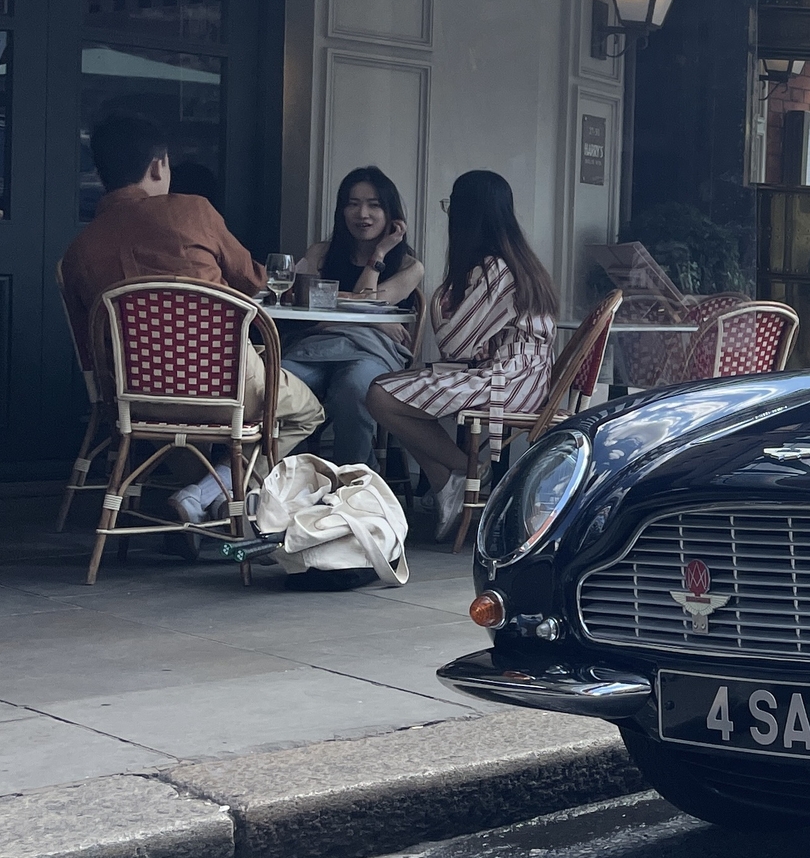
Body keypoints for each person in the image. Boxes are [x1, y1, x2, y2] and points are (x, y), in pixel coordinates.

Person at [61, 115, 325, 522]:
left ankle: (200, 501)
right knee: (306, 410)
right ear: (158, 166)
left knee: (176, 431)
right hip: (224, 382)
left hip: (137, 394)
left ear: (100, 173)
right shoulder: (193, 211)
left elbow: (90, 345)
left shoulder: (80, 250)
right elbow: (254, 280)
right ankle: (210, 495)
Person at [366, 170, 558, 542]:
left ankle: (468, 470)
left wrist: (439, 296)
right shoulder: (514, 263)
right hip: (522, 378)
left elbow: (454, 344)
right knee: (391, 393)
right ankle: (449, 480)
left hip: (510, 381)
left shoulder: (495, 270)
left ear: (467, 215)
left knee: (381, 394)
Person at [288, 167, 425, 469]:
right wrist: (375, 320)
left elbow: (363, 301)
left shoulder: (408, 266)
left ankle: (354, 489)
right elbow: (304, 303)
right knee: (282, 384)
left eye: (374, 204)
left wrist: (380, 253)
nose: (362, 213)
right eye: (352, 203)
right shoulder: (320, 253)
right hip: (316, 347)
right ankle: (289, 482)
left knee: (353, 389)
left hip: (371, 352)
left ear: (390, 212)